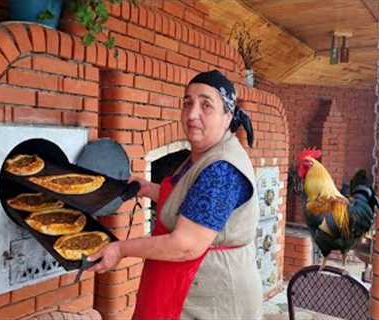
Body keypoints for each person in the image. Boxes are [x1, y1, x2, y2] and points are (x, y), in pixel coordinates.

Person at [88, 70, 262, 320]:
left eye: (206, 105)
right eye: (187, 103)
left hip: (210, 300)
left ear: (228, 116)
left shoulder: (222, 170)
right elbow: (191, 202)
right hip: (185, 284)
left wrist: (120, 249)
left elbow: (185, 245)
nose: (192, 114)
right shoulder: (203, 154)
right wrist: (149, 188)